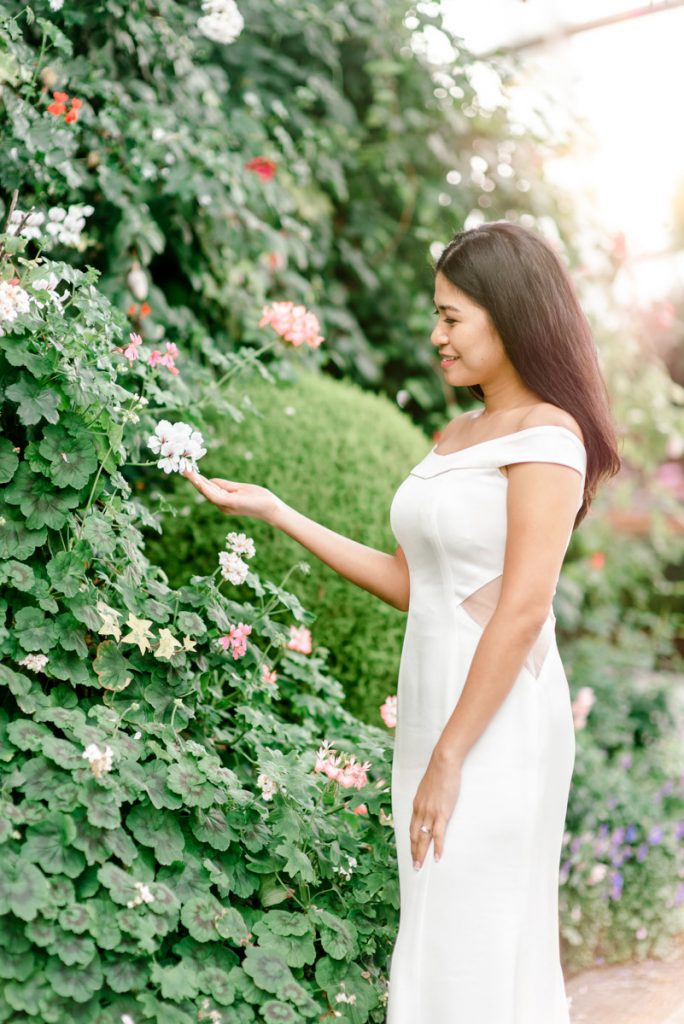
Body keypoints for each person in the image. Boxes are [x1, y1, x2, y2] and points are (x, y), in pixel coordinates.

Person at [182, 220, 621, 1023]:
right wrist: (280, 512)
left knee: (474, 937)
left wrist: (452, 756)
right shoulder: (457, 434)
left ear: (510, 314)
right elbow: (410, 582)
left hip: (493, 727)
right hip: (434, 716)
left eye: (452, 316)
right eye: (437, 314)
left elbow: (522, 609)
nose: (435, 336)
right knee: (436, 930)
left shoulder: (549, 436)